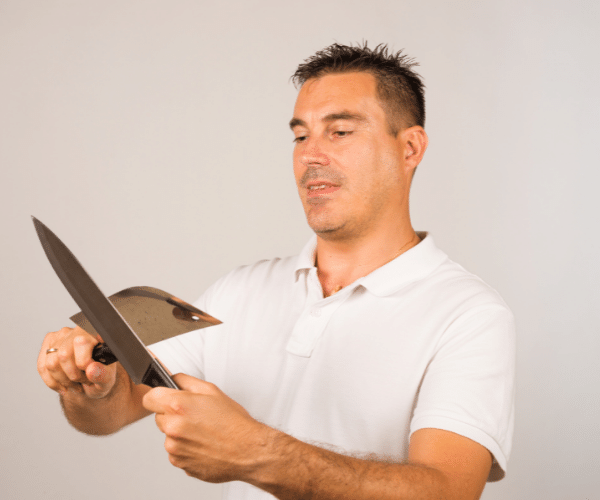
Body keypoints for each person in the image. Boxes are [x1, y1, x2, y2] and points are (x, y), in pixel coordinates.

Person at [37, 43, 515, 500]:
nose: (310, 155)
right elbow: (113, 409)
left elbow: (447, 491)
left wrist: (256, 453)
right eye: (301, 135)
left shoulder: (468, 315)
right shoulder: (239, 292)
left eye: (340, 132)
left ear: (409, 148)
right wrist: (90, 386)